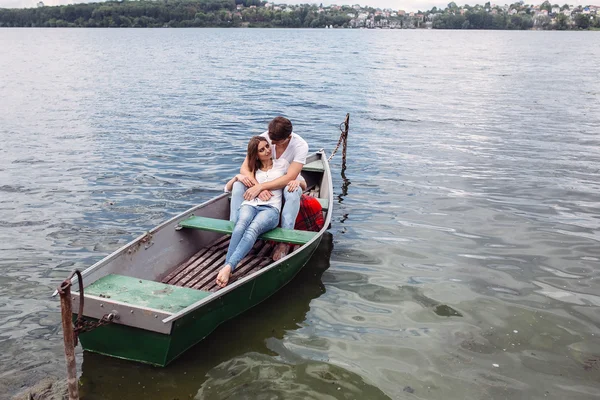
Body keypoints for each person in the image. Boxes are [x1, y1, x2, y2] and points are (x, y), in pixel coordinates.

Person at [216, 136, 305, 288]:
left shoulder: (282, 164)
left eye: (267, 147)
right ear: (255, 155)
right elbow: (227, 188)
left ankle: (228, 266)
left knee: (253, 229)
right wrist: (237, 176)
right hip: (250, 204)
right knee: (240, 224)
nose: (267, 151)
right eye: (261, 150)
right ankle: (228, 267)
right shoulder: (253, 169)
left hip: (270, 209)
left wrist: (297, 181)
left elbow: (303, 182)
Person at [229, 116, 309, 261]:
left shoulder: (300, 146)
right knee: (238, 184)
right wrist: (257, 186)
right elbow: (245, 168)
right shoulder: (266, 137)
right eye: (269, 141)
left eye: (274, 143)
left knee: (291, 190)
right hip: (263, 178)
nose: (270, 145)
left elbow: (290, 176)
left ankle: (284, 241)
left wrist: (261, 187)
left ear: (288, 138)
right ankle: (233, 228)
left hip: (288, 179)